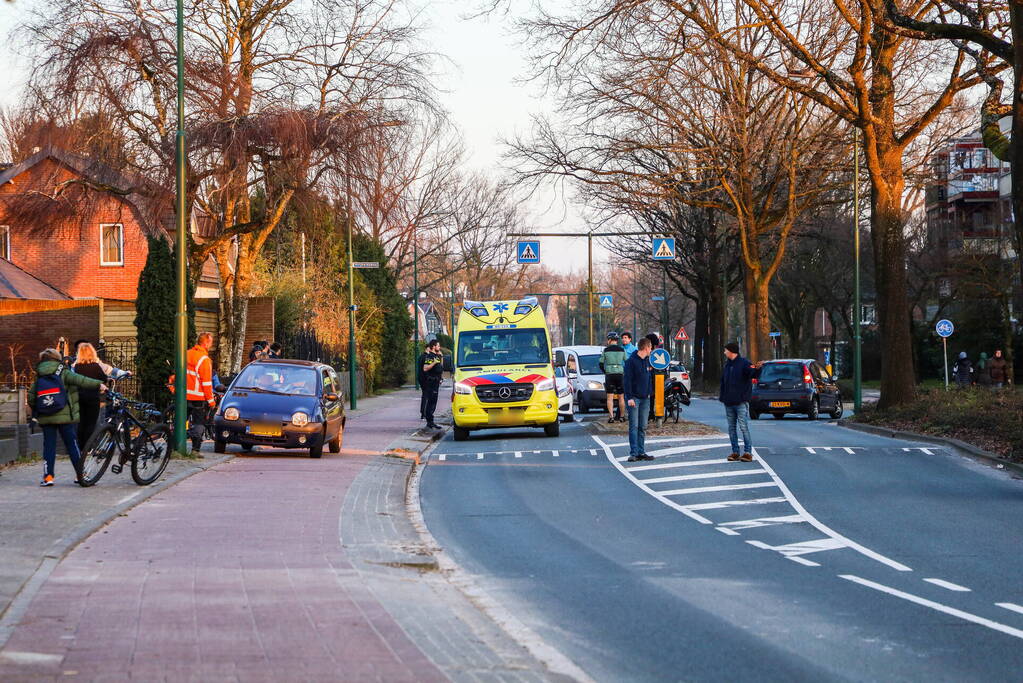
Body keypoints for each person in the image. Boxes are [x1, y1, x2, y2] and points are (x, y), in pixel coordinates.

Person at [29, 348, 107, 486]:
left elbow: (31, 396)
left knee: (49, 446)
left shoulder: (40, 374)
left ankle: (48, 477)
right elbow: (81, 380)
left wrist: (40, 408)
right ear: (57, 358)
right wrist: (99, 384)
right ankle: (80, 474)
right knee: (72, 445)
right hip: (64, 417)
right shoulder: (63, 372)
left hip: (46, 416)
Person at [72, 342, 130, 449]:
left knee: (81, 423)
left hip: (79, 397)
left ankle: (80, 447)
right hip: (93, 397)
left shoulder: (76, 367)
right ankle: (90, 447)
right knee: (92, 423)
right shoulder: (96, 366)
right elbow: (104, 377)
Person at [720, 342, 761, 463]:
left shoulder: (744, 363)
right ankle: (735, 452)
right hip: (729, 402)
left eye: (726, 350)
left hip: (741, 402)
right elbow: (724, 382)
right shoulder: (727, 365)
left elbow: (753, 374)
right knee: (731, 428)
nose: (724, 352)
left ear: (732, 351)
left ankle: (748, 452)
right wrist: (723, 397)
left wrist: (758, 369)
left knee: (743, 427)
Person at [624, 337, 654, 462]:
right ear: (646, 347)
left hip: (645, 398)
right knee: (634, 426)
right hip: (634, 398)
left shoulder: (647, 361)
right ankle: (634, 453)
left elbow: (649, 378)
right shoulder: (631, 361)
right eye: (650, 348)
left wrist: (650, 392)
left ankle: (641, 452)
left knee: (643, 426)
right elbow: (627, 381)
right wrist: (629, 397)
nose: (651, 350)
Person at [186, 332, 217, 451]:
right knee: (199, 423)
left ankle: (174, 446)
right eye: (211, 342)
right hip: (198, 398)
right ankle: (195, 449)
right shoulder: (204, 360)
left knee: (180, 420)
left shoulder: (187, 354)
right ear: (206, 343)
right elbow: (206, 383)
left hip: (183, 395)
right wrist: (211, 401)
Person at [599, 332, 627, 422]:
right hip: (619, 373)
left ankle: (611, 417)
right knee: (621, 397)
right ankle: (622, 417)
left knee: (609, 397)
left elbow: (601, 363)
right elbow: (627, 361)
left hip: (610, 374)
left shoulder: (606, 350)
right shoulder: (622, 350)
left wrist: (605, 371)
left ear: (610, 340)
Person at [419, 339, 444, 429]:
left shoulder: (436, 356)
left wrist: (441, 358)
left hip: (436, 381)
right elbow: (425, 368)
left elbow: (440, 368)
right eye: (438, 345)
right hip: (431, 382)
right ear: (433, 346)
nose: (439, 347)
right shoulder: (430, 357)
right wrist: (434, 362)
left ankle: (431, 421)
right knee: (431, 402)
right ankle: (429, 421)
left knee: (434, 401)